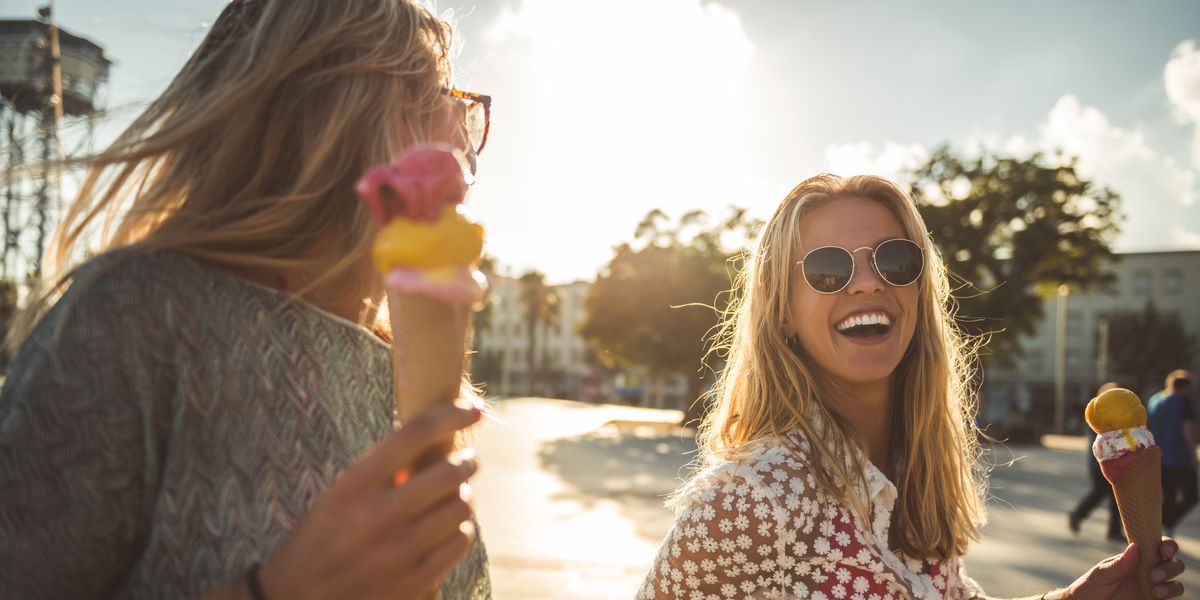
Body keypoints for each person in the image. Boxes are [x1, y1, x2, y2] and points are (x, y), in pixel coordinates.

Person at [0, 1, 493, 598]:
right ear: (337, 118)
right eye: (443, 101)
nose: (463, 146)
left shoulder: (396, 371)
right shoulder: (133, 315)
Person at [637, 174, 1185, 599]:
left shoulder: (907, 467)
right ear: (783, 313)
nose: (870, 282)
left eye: (895, 261)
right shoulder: (752, 497)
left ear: (919, 294)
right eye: (828, 269)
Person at [1068, 382, 1125, 542]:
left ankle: (1110, 529)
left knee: (1107, 495)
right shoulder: (1101, 416)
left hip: (1100, 463)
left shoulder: (1097, 413)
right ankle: (1080, 515)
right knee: (1108, 494)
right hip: (1103, 463)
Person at [1148, 374, 1198, 537]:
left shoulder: (1154, 401)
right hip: (1180, 457)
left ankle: (1163, 528)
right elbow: (1187, 430)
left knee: (1169, 496)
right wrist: (1194, 456)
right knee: (1191, 496)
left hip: (1160, 457)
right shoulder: (1182, 402)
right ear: (1184, 387)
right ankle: (1166, 523)